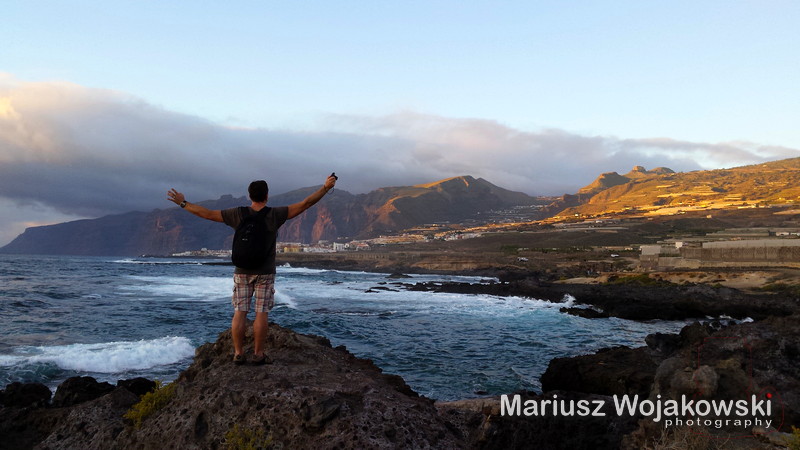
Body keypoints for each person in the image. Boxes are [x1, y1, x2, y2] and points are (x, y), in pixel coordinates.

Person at [167, 174, 337, 365]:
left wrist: (183, 203)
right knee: (261, 313)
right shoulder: (275, 214)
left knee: (240, 312)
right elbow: (306, 203)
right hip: (265, 272)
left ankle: (238, 353)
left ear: (249, 196)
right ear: (267, 196)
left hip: (242, 271)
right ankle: (258, 354)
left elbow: (206, 213)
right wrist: (325, 187)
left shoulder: (237, 214)